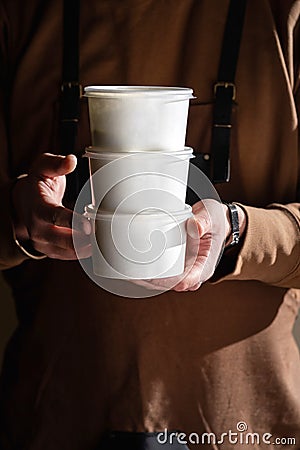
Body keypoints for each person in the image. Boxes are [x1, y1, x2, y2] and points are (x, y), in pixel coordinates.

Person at [0, 0, 299, 449]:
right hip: (59, 418)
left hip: (246, 421)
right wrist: (18, 220)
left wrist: (240, 234)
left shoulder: (283, 14)